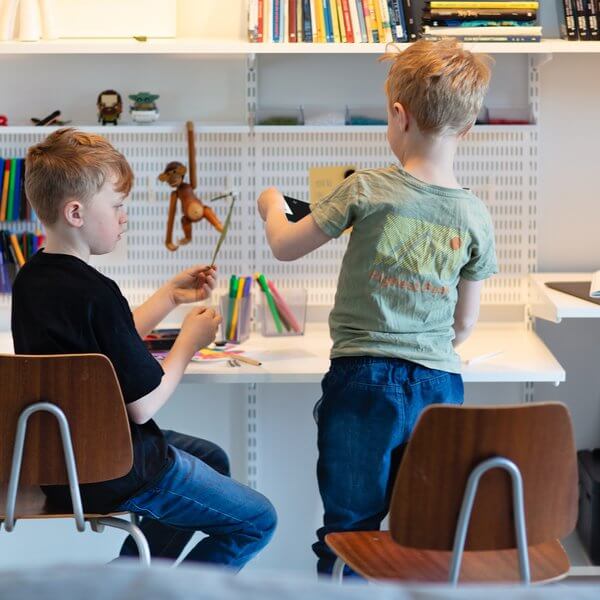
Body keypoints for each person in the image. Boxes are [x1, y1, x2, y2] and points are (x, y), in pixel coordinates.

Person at [256, 39, 497, 575]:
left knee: (349, 532)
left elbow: (285, 245)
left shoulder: (365, 186)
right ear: (467, 129)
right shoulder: (476, 215)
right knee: (424, 523)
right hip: (439, 384)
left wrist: (271, 202)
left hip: (363, 378)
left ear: (398, 115)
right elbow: (465, 322)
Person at [12, 128, 276, 569]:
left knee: (213, 457)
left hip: (63, 461)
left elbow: (99, 351)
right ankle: (156, 589)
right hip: (115, 465)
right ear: (75, 212)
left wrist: (168, 298)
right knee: (257, 521)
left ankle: (130, 577)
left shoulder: (33, 279)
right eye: (116, 206)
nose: (124, 217)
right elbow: (144, 406)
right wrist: (188, 345)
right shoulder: (97, 291)